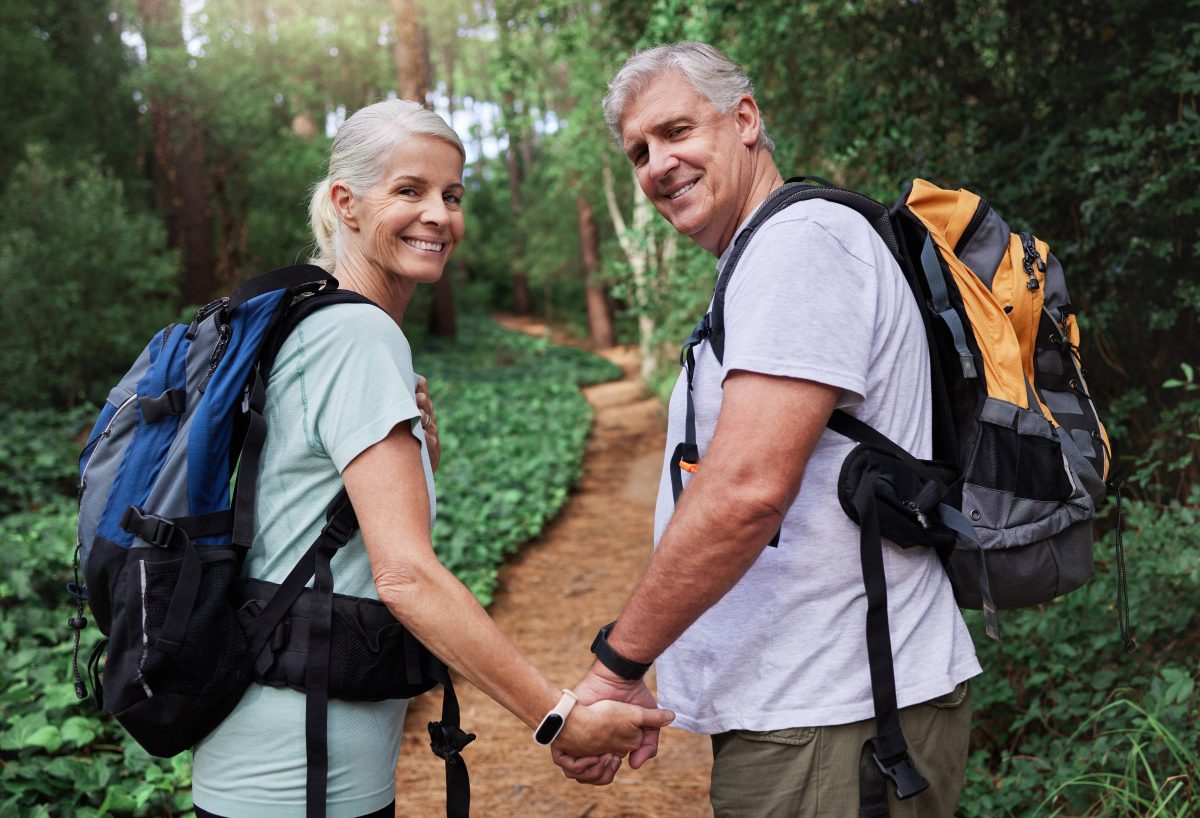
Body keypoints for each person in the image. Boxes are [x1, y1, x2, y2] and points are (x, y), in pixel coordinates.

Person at [190, 99, 673, 818]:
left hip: (272, 743)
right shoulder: (357, 336)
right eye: (409, 191)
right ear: (347, 205)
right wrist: (558, 715)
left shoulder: (305, 320)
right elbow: (405, 576)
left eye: (452, 195)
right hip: (303, 768)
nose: (439, 215)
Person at [553, 43, 981, 817]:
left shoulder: (797, 248)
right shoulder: (769, 253)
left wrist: (618, 664)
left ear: (745, 119)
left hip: (838, 717)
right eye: (638, 152)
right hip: (815, 711)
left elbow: (745, 491)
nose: (657, 165)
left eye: (676, 130)